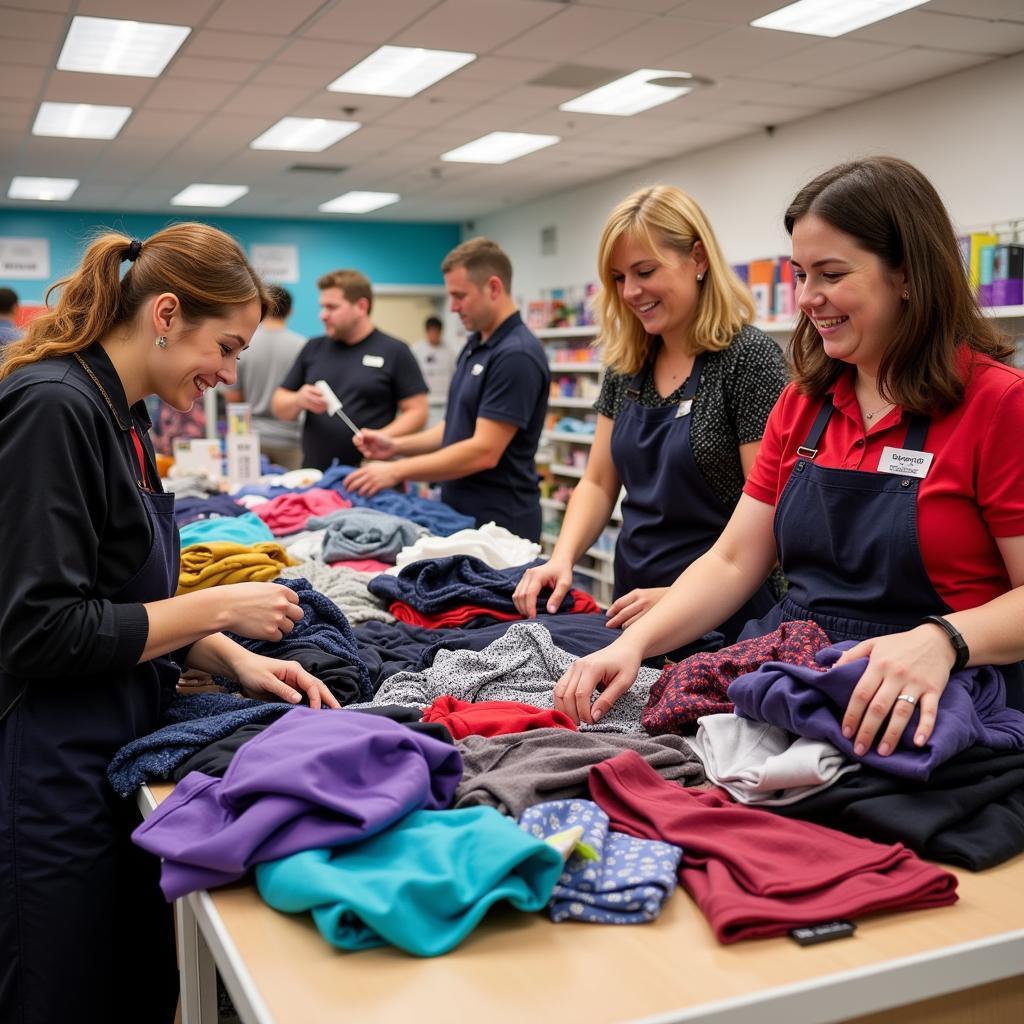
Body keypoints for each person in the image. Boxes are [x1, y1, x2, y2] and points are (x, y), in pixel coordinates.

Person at [555, 156, 1024, 759]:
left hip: (938, 695)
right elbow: (733, 559)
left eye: (830, 274)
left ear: (907, 273)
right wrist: (633, 645)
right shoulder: (804, 404)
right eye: (800, 274)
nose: (807, 298)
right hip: (795, 673)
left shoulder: (998, 406)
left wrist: (944, 639)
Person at [0, 224, 340, 1024]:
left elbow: (116, 585)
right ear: (164, 313)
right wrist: (215, 607)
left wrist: (223, 655)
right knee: (61, 991)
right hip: (49, 762)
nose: (228, 374)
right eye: (224, 347)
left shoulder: (123, 413)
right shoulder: (53, 409)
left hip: (110, 741)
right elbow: (39, 629)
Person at [514, 185, 788, 641]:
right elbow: (600, 481)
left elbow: (769, 515)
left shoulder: (747, 359)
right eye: (619, 278)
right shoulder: (627, 365)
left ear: (698, 259)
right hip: (633, 601)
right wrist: (561, 557)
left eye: (644, 271)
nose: (631, 292)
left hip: (727, 615)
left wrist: (685, 594)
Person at [345, 238, 550, 542]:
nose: (452, 307)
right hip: (461, 514)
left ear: (493, 287)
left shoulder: (515, 354)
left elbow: (483, 451)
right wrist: (395, 446)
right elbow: (454, 427)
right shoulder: (475, 344)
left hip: (501, 524)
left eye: (459, 296)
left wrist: (397, 471)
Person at [271, 269, 428, 471]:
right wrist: (298, 399)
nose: (323, 315)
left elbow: (418, 411)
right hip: (316, 474)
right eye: (322, 307)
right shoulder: (313, 348)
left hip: (370, 474)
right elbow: (279, 405)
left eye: (332, 307)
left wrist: (383, 437)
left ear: (361, 306)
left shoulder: (395, 351)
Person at [223, 284, 307, 470]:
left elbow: (234, 400)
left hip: (251, 440)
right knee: (290, 497)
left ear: (263, 308)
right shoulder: (303, 346)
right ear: (291, 311)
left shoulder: (244, 346)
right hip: (291, 440)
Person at [411, 314, 454, 398]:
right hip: (426, 398)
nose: (434, 335)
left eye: (437, 331)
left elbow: (454, 373)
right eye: (432, 331)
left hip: (445, 399)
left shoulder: (450, 351)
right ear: (427, 332)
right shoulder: (416, 350)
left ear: (441, 332)